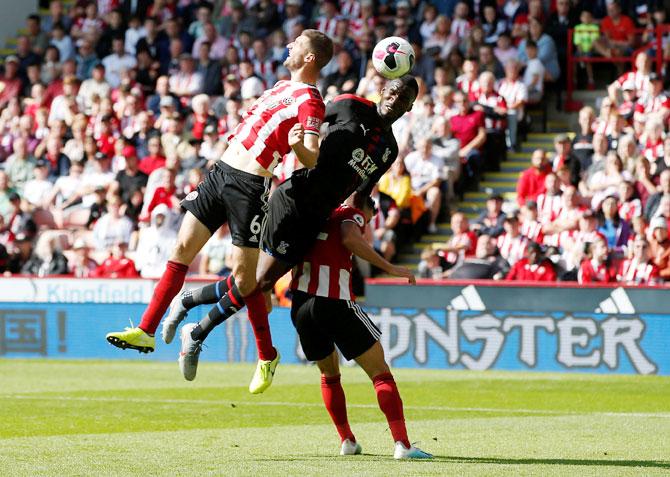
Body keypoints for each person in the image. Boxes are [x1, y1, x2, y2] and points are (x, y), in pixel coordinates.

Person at [169, 76, 419, 392]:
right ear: (383, 90)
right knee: (259, 283)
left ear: (410, 107)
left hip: (318, 216)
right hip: (294, 198)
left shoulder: (390, 149)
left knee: (261, 284)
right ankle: (197, 331)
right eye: (394, 91)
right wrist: (291, 145)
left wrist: (353, 219)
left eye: (404, 97)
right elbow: (303, 122)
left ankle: (190, 302)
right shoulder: (350, 105)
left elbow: (361, 192)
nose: (396, 99)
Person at [105, 30, 334, 361]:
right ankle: (145, 331)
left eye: (296, 44)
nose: (288, 46)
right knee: (181, 248)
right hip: (220, 172)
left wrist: (298, 144)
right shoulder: (282, 87)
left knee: (244, 279)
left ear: (309, 57)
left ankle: (267, 355)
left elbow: (312, 155)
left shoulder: (311, 100)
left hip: (249, 185)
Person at [283, 194, 431, 459]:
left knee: (329, 376)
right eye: (370, 220)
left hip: (301, 305)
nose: (367, 226)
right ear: (365, 209)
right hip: (333, 301)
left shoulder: (308, 211)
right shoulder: (351, 213)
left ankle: (347, 441)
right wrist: (391, 268)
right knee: (381, 374)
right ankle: (403, 445)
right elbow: (350, 237)